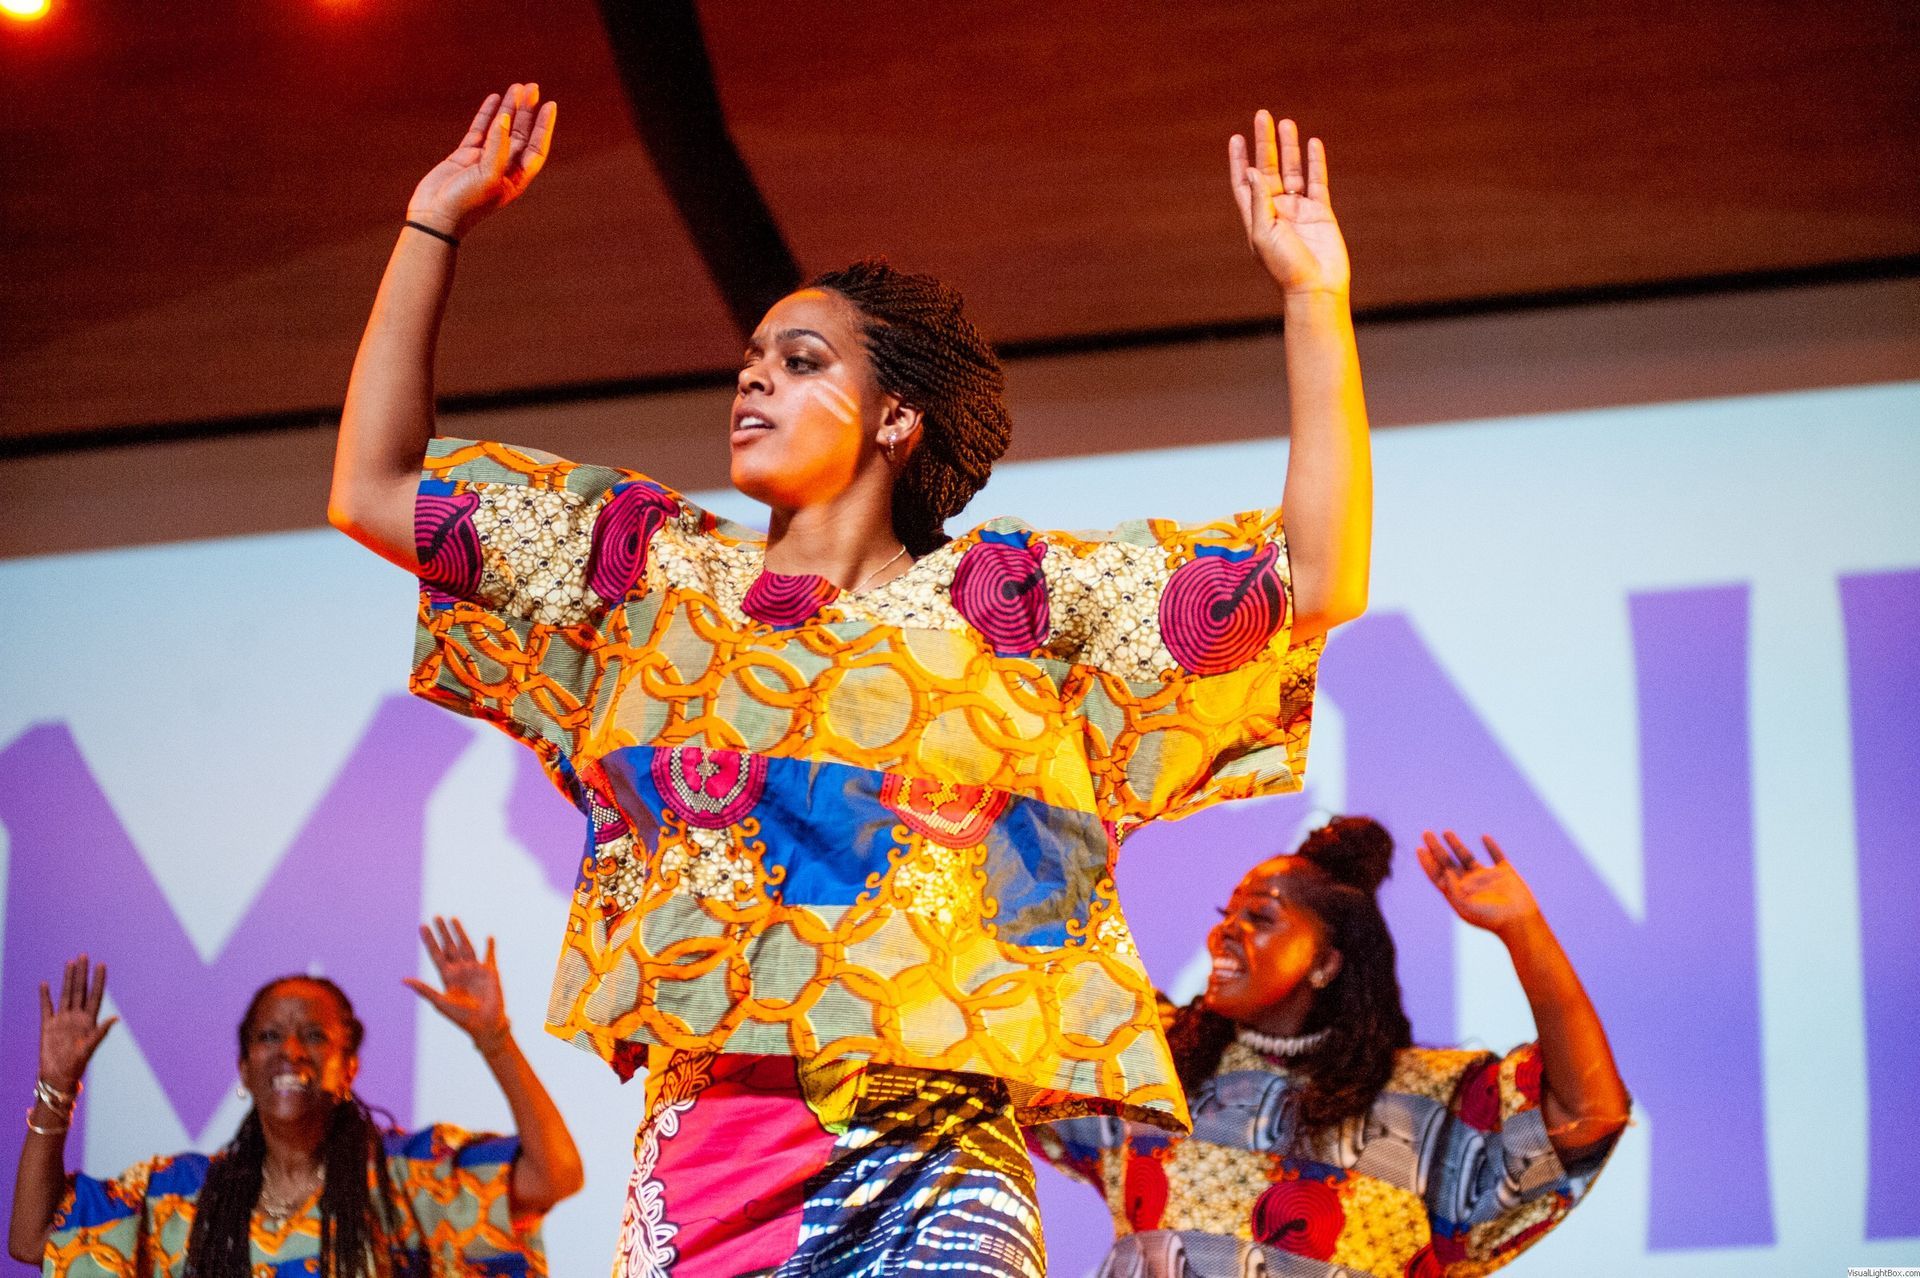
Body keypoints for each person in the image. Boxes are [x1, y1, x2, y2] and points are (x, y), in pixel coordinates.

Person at [328, 82, 1371, 1275]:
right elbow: (369, 489)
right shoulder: (643, 569)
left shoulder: (1013, 605)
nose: (752, 380)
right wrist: (431, 228)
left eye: (800, 359)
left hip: (940, 1154)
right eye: (751, 358)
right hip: (713, 1153)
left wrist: (1313, 298)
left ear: (896, 420)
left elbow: (1318, 578)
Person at [1031, 819, 1631, 1277]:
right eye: (1227, 913)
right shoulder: (1154, 1064)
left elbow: (1588, 1113)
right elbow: (1020, 1000)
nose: (1226, 929)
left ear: (1325, 964)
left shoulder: (1427, 1101)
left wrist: (1522, 929)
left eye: (1260, 916)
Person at [10, 918, 584, 1277]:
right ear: (244, 1068)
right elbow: (33, 1240)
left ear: (349, 1067)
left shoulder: (412, 1175)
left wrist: (495, 1039)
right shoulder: (179, 1196)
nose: (291, 1051)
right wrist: (58, 1087)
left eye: (315, 1035)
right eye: (268, 1036)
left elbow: (555, 1174)